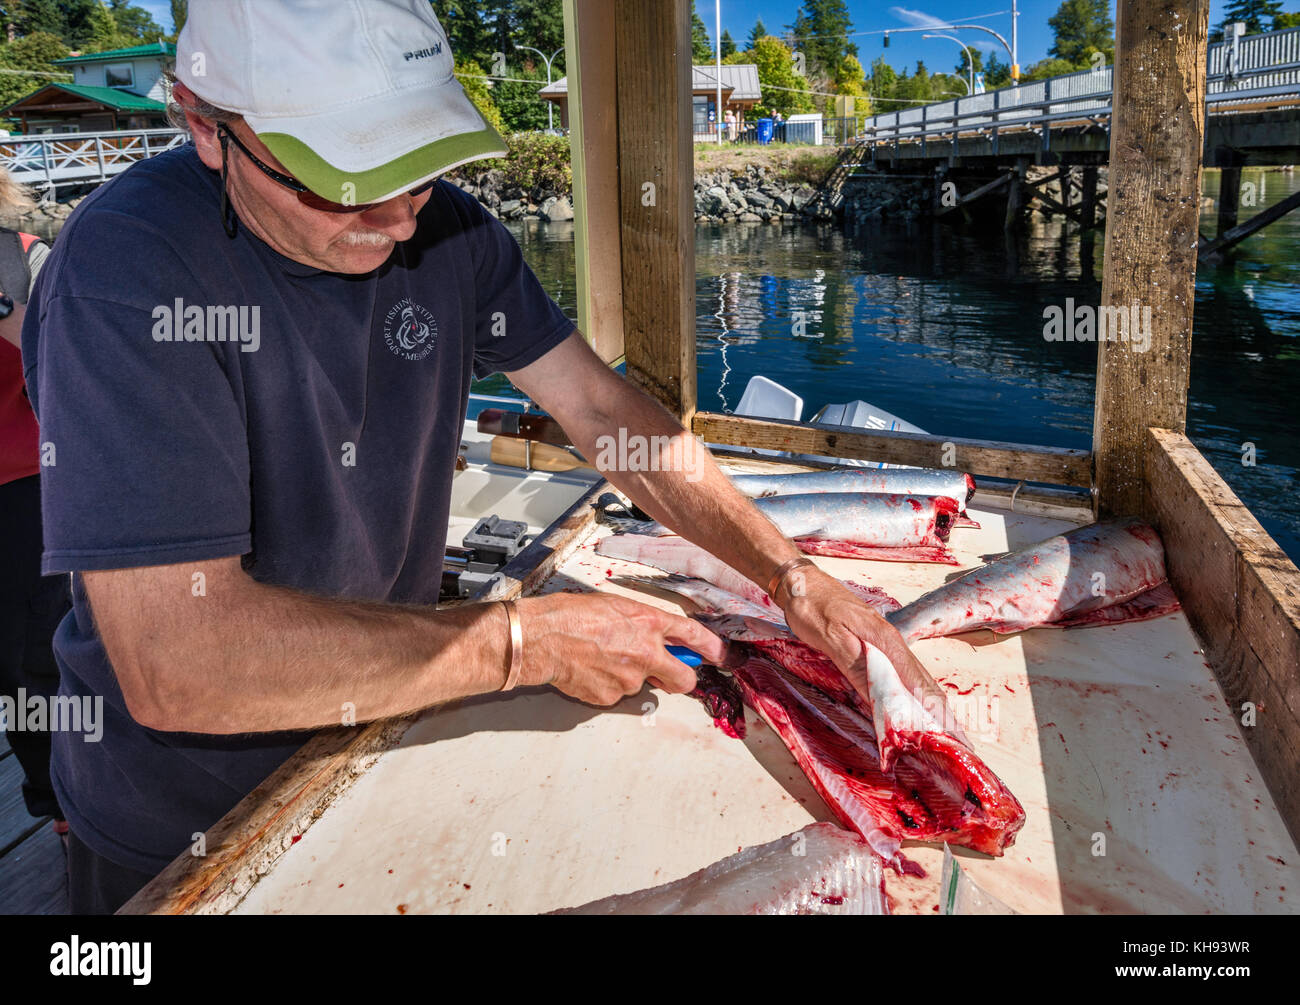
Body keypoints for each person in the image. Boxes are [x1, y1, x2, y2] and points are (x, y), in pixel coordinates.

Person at [23, 0, 941, 914]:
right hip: (189, 816)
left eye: (416, 171)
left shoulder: (453, 231)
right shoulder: (123, 274)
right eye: (338, 181)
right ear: (205, 127)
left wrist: (788, 575)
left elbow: (599, 407)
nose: (392, 218)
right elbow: (178, 659)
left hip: (386, 727)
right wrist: (519, 641)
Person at [0, 171, 71, 851]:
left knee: (28, 659)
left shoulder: (24, 257)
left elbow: (54, 369)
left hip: (25, 486)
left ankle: (63, 801)